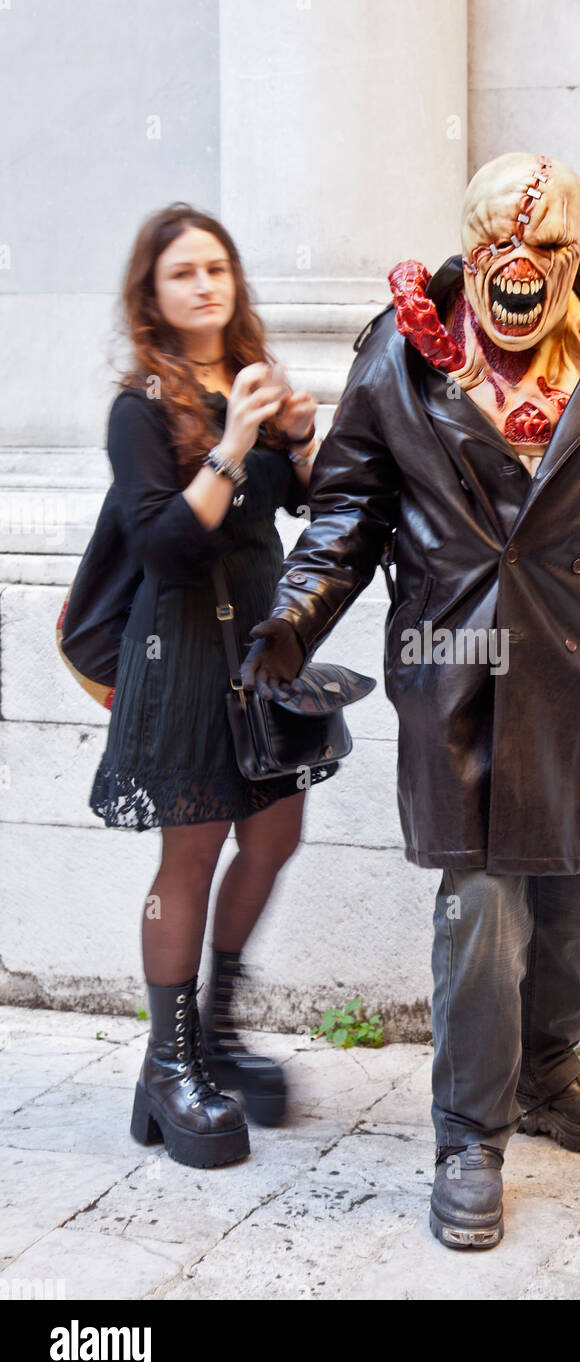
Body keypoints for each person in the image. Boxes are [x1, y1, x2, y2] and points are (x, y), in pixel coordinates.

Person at [241, 153, 580, 1248]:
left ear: (579, 253)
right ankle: (468, 1135)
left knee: (574, 902)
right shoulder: (400, 355)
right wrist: (291, 620)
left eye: (544, 246)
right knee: (482, 913)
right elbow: (345, 515)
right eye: (499, 242)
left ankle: (548, 1073)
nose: (520, 266)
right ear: (467, 244)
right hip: (453, 676)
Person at [89, 202, 326, 1168]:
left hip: (264, 648)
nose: (205, 285)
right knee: (191, 850)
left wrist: (303, 441)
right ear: (151, 293)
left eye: (218, 269)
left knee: (274, 831)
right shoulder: (140, 408)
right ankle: (168, 1061)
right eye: (183, 272)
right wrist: (233, 441)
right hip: (182, 650)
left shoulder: (253, 384)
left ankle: (219, 1031)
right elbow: (164, 547)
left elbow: (310, 509)